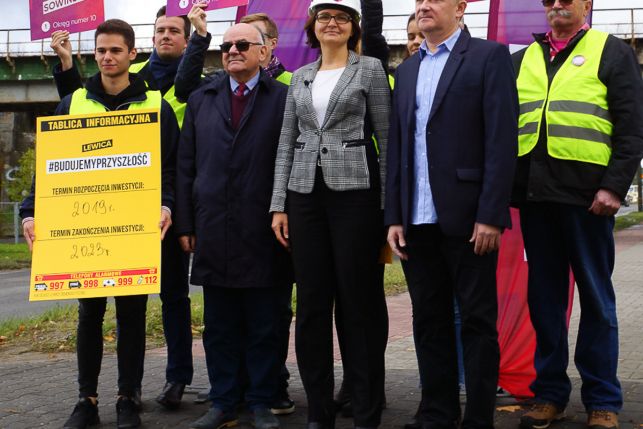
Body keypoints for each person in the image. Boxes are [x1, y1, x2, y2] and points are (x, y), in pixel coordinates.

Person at [20, 19, 180, 429]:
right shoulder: (73, 103)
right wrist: (30, 212)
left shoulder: (156, 105)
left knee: (132, 315)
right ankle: (86, 400)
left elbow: (170, 168)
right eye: (101, 51)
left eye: (115, 50)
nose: (107, 58)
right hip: (84, 233)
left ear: (132, 54)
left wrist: (166, 205)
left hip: (136, 230)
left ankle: (128, 397)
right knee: (89, 315)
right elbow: (49, 165)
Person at [385, 0, 518, 428]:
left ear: (460, 8)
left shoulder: (488, 57)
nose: (424, 5)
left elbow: (501, 139)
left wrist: (491, 213)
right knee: (428, 319)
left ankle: (478, 418)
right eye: (418, 0)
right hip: (416, 219)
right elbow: (398, 147)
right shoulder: (407, 70)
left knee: (477, 321)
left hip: (469, 219)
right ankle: (437, 413)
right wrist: (394, 215)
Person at [512, 1, 643, 428]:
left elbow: (632, 126)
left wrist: (614, 186)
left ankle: (603, 400)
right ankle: (549, 395)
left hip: (589, 200)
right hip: (536, 199)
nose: (556, 4)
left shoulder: (612, 51)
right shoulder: (523, 58)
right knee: (544, 303)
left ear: (586, 4)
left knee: (597, 301)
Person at [270, 0, 391, 427]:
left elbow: (387, 140)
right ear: (313, 27)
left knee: (358, 304)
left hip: (356, 197)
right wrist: (279, 204)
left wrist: (388, 208)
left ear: (353, 27)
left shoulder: (370, 70)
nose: (332, 23)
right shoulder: (300, 76)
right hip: (305, 197)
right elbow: (287, 141)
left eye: (341, 18)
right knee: (312, 305)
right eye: (324, 17)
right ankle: (319, 411)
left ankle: (366, 409)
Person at [174, 4, 297, 415]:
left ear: (264, 52)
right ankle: (224, 402)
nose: (232, 51)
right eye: (226, 46)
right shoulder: (201, 99)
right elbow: (186, 165)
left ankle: (262, 401)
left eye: (242, 45)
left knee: (265, 325)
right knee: (219, 327)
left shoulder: (285, 99)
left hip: (265, 230)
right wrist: (186, 224)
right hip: (214, 230)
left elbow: (294, 162)